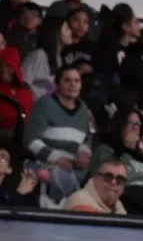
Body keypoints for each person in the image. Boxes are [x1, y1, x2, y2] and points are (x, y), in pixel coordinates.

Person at [24, 64, 93, 200]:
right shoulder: (44, 104)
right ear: (57, 84)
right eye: (67, 80)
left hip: (74, 167)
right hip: (44, 165)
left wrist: (84, 151)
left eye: (76, 81)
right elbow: (30, 140)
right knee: (64, 180)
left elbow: (86, 137)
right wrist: (56, 158)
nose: (72, 84)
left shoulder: (83, 108)